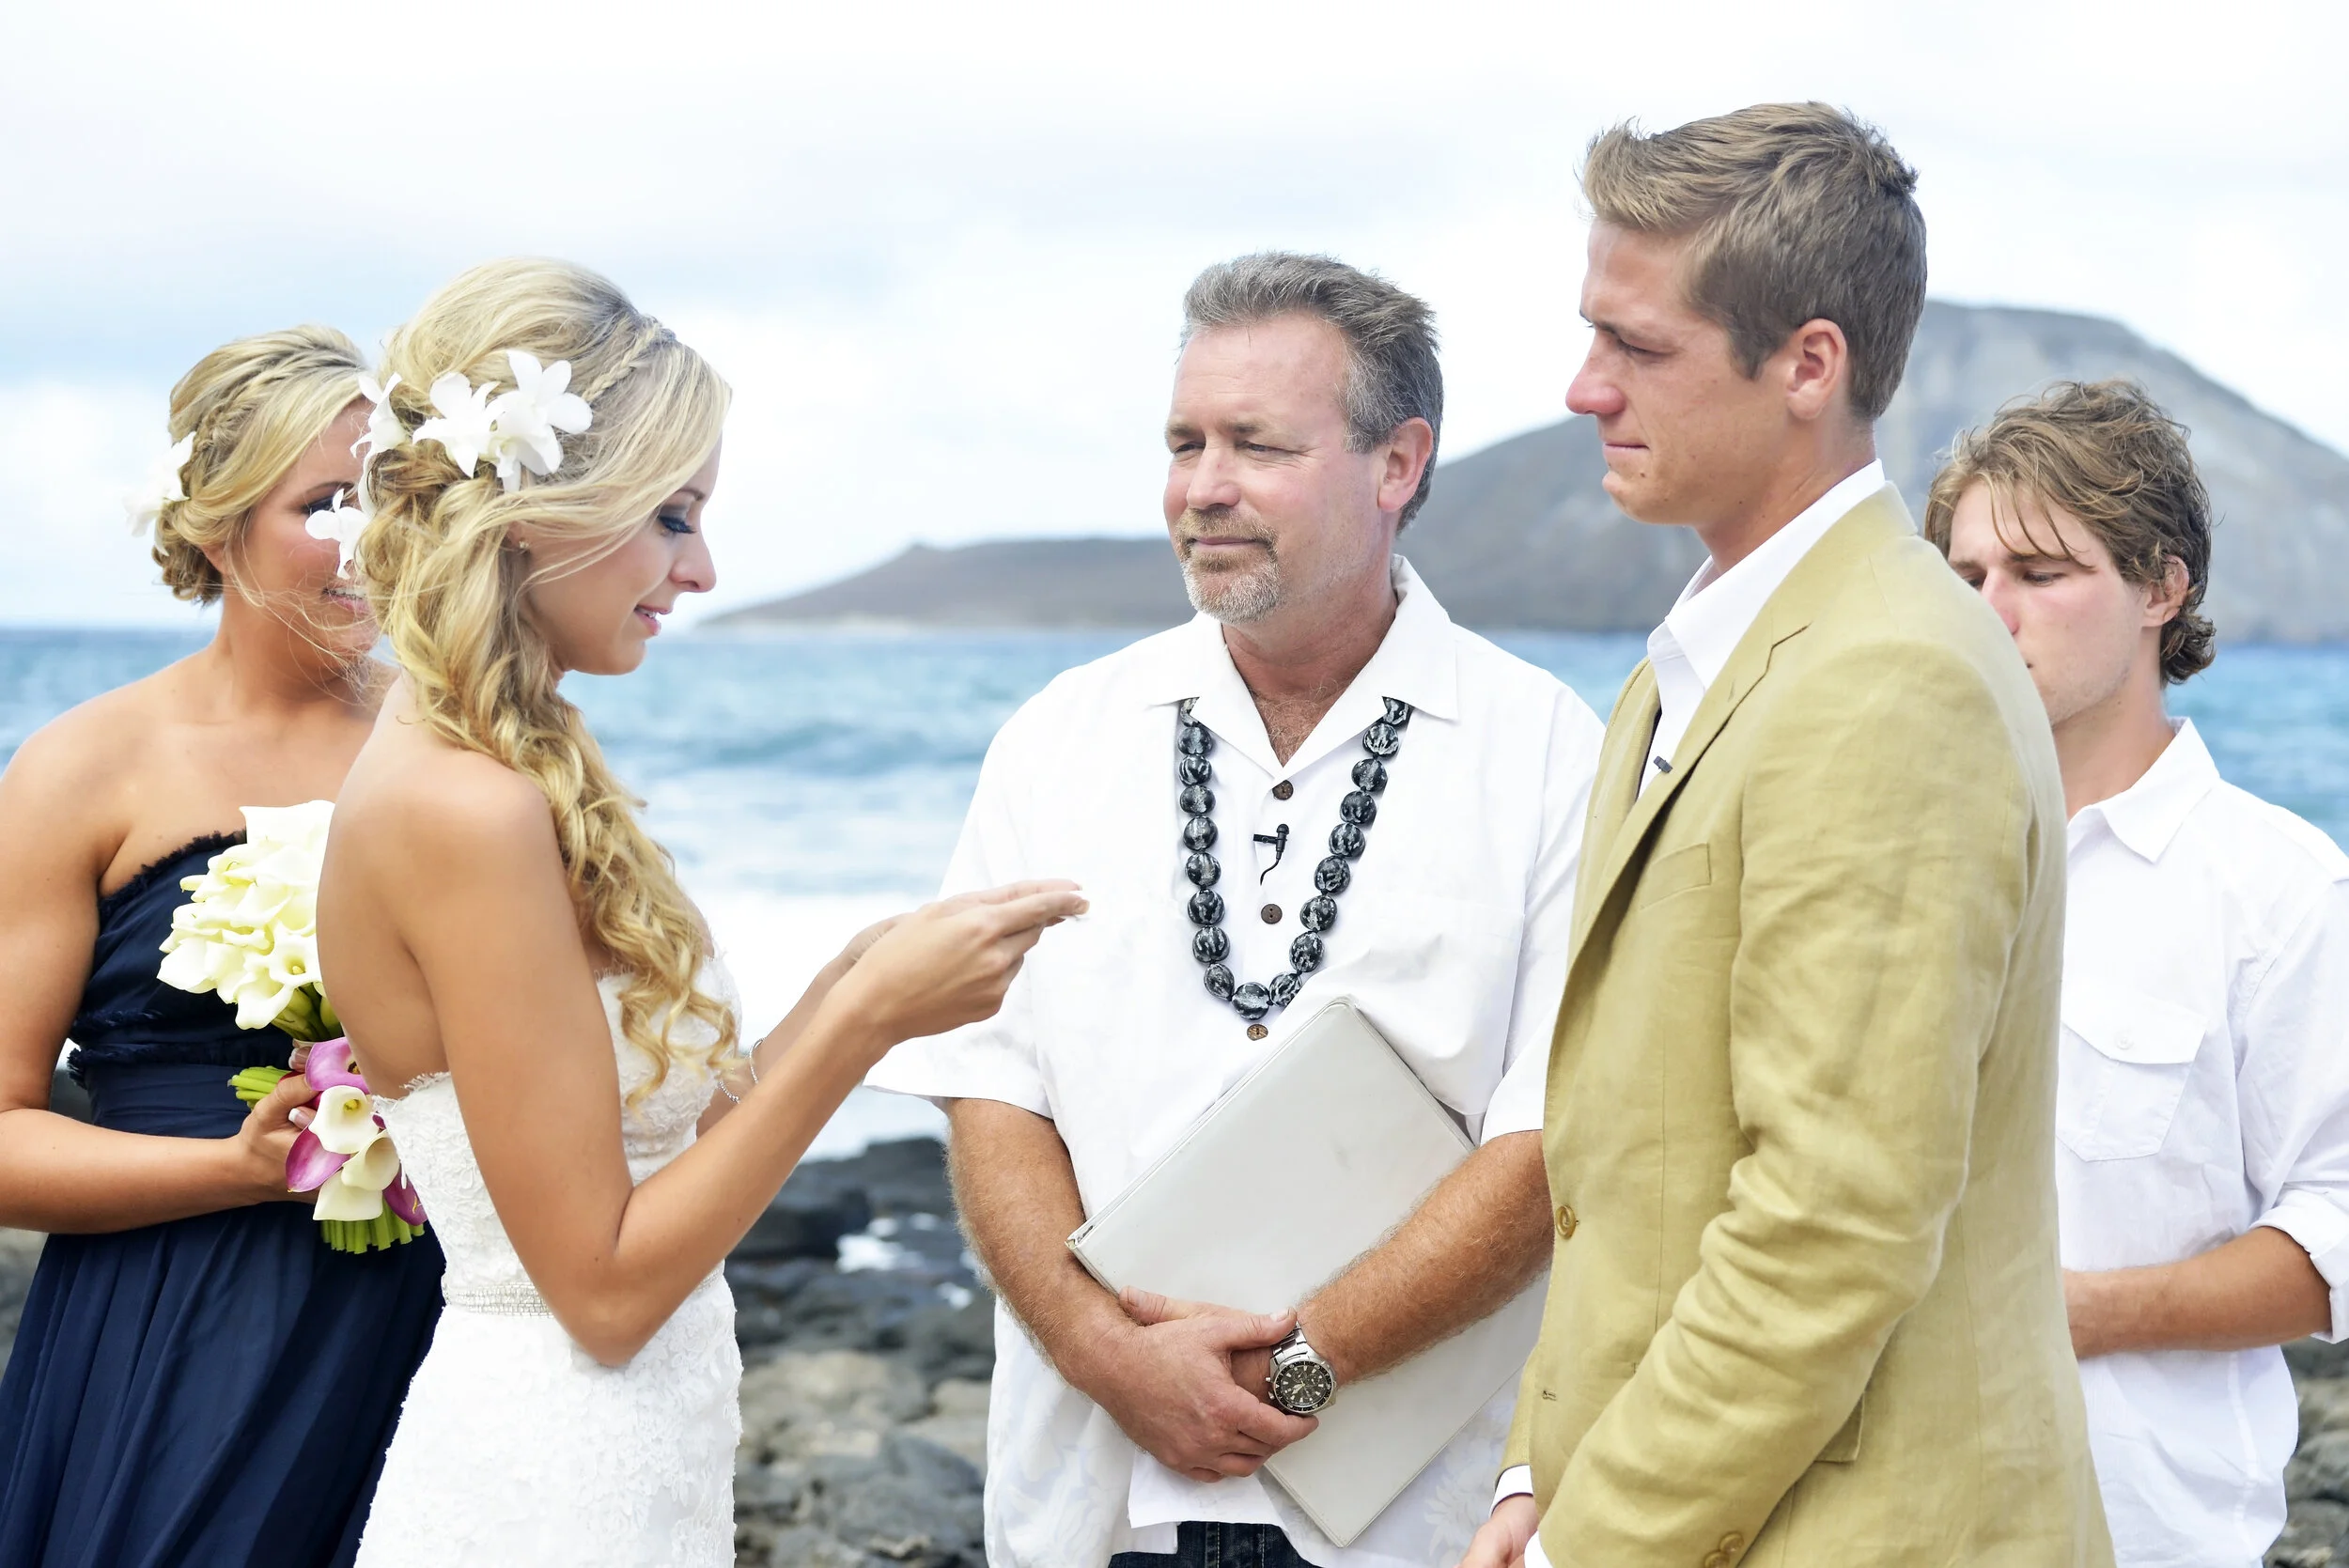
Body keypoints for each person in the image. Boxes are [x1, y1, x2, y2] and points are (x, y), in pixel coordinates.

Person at [314, 257, 1081, 1568]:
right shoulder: (465, 808)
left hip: (622, 1462)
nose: (706, 569)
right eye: (673, 516)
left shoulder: (500, 764)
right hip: (549, 1490)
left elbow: (653, 1165)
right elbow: (604, 1292)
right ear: (535, 514)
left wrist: (848, 984)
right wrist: (863, 1026)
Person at [865, 251, 1606, 1568]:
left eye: (1256, 445)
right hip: (1095, 1497)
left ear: (1397, 463)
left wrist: (1303, 1367)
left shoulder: (1547, 752)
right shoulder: (1060, 738)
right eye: (1184, 443)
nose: (1202, 486)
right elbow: (991, 1090)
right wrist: (1105, 1355)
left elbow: (1552, 1136)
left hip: (1413, 1520)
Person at [1464, 105, 2111, 1568]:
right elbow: (1631, 1169)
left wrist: (1587, 1544)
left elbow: (1832, 1220)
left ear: (1809, 365)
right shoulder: (1688, 671)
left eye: (1638, 346)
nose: (1584, 387)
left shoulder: (1890, 680)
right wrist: (1537, 1470)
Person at [0, 327, 446, 1568]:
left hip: (433, 1321)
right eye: (326, 502)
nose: (369, 540)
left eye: (395, 500)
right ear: (215, 527)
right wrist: (237, 1170)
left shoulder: (464, 741)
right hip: (174, 1328)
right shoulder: (81, 769)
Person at [1929, 379, 2349, 1568]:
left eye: (2039, 572)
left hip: (2141, 1531)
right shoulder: (1893, 860)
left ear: (2162, 588)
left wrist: (2083, 1314)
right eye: (1965, 577)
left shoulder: (2280, 892)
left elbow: (2335, 1233)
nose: (1989, 611)